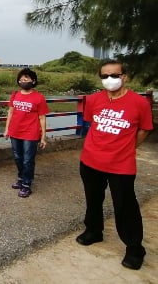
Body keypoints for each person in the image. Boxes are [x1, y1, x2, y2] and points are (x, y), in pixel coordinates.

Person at [76, 59, 153, 270]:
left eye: (114, 75)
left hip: (121, 165)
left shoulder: (139, 103)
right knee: (93, 199)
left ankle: (134, 248)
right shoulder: (93, 100)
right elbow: (92, 123)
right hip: (90, 160)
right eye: (104, 76)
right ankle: (94, 231)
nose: (109, 80)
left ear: (124, 77)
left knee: (125, 206)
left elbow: (145, 129)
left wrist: (127, 147)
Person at [3, 68, 49, 198]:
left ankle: (27, 184)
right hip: (15, 131)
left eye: (26, 79)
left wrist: (43, 137)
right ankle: (21, 178)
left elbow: (42, 118)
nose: (23, 81)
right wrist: (7, 129)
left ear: (33, 81)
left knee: (28, 160)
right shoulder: (15, 95)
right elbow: (10, 112)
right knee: (18, 157)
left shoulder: (39, 97)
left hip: (30, 132)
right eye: (21, 79)